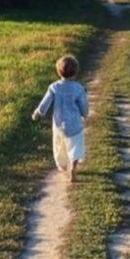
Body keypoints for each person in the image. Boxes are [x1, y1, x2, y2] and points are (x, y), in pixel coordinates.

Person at [32, 54, 88, 183]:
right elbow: (83, 105)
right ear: (75, 72)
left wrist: (38, 113)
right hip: (74, 124)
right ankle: (73, 167)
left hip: (58, 125)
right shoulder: (79, 89)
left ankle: (63, 166)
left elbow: (45, 102)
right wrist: (84, 114)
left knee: (59, 146)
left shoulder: (54, 87)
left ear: (58, 72)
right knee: (75, 146)